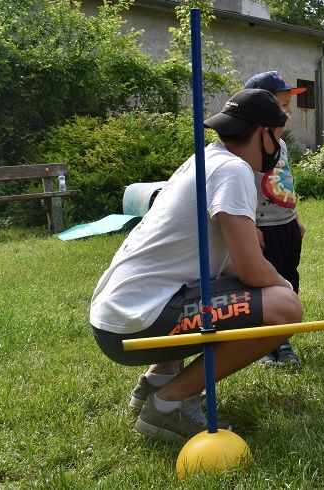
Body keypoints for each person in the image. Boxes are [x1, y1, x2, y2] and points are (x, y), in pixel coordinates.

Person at [89, 88, 303, 443]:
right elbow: (250, 271)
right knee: (284, 308)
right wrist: (282, 285)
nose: (279, 149)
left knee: (212, 292)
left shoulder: (206, 159)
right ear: (264, 133)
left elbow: (228, 265)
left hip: (115, 317)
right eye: (278, 136)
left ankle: (154, 385)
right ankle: (168, 405)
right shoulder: (234, 170)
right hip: (135, 323)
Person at [243, 71, 306, 366]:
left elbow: (286, 181)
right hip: (262, 226)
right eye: (281, 106)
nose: (288, 113)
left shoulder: (280, 145)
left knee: (288, 279)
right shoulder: (247, 147)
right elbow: (242, 189)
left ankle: (282, 339)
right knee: (262, 287)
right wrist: (249, 225)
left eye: (287, 105)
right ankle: (259, 345)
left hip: (286, 223)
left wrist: (296, 218)